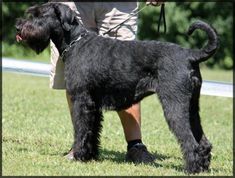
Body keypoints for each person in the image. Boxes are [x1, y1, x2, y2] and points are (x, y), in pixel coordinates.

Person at [50, 1, 164, 163]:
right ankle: (82, 146)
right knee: (75, 76)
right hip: (74, 5)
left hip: (118, 5)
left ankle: (135, 146)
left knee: (125, 74)